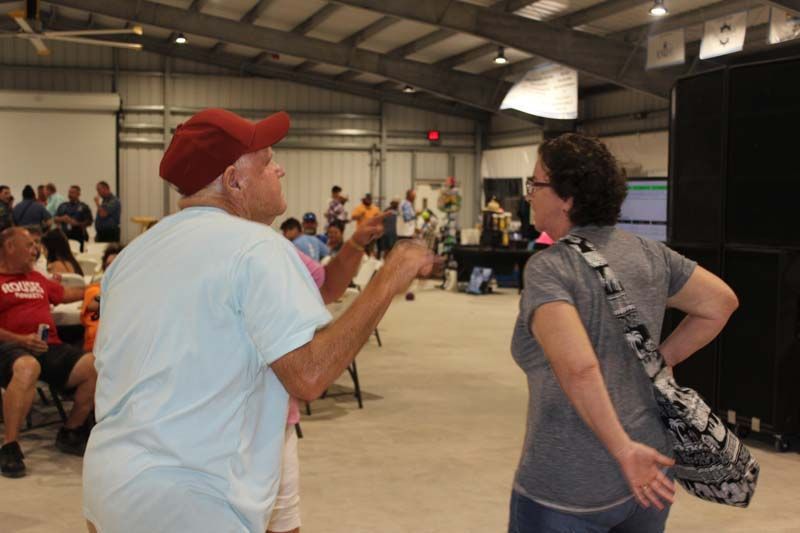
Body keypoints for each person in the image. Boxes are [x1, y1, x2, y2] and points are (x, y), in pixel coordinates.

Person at [82, 108, 434, 533]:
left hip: (110, 487)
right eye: (267, 161)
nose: (279, 168)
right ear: (234, 180)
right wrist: (388, 278)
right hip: (192, 502)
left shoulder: (134, 254)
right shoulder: (255, 248)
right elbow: (308, 376)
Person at [508, 133, 739, 533]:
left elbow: (579, 368)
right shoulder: (649, 253)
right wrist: (660, 361)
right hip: (650, 473)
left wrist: (622, 450)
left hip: (571, 484)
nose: (530, 194)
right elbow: (720, 302)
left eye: (536, 183)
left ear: (566, 197)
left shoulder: (550, 268)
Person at [0, 227, 96, 478]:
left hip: (48, 346)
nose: (35, 251)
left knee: (95, 364)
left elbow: (67, 294)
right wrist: (21, 339)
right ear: (10, 247)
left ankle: (71, 430)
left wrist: (100, 287)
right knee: (28, 367)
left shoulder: (36, 278)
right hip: (10, 348)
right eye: (29, 245)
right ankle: (10, 445)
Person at [81, 243, 123, 353]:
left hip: (120, 344)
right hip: (95, 348)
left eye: (116, 265)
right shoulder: (94, 289)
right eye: (108, 265)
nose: (111, 269)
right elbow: (93, 305)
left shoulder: (131, 290)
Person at [53, 185, 93, 252]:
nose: (70, 194)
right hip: (64, 235)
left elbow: (89, 222)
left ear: (78, 194)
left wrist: (76, 223)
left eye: (73, 192)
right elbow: (54, 219)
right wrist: (62, 219)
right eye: (69, 192)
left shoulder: (83, 207)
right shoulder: (63, 206)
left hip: (78, 235)